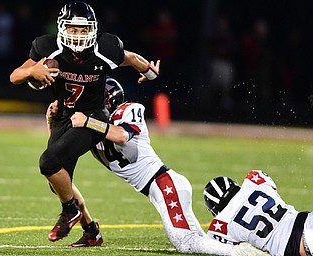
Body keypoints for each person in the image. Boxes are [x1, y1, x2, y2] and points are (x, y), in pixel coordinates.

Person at [48, 77, 267, 255]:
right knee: (199, 242)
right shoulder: (92, 128)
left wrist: (88, 121)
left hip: (164, 184)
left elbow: (122, 135)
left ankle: (243, 253)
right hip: (158, 189)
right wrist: (53, 122)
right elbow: (58, 160)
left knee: (185, 243)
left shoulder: (126, 110)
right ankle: (237, 246)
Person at [10, 1, 159, 243]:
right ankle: (91, 230)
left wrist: (150, 73)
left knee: (48, 163)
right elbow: (14, 75)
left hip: (91, 117)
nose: (78, 35)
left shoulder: (106, 48)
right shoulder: (48, 48)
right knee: (58, 181)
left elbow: (131, 58)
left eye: (83, 30)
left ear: (93, 29)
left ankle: (70, 210)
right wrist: (30, 73)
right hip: (63, 114)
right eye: (73, 29)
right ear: (61, 28)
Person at [203, 169, 313, 256]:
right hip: (305, 218)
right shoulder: (253, 181)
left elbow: (218, 247)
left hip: (294, 244)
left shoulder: (222, 224)